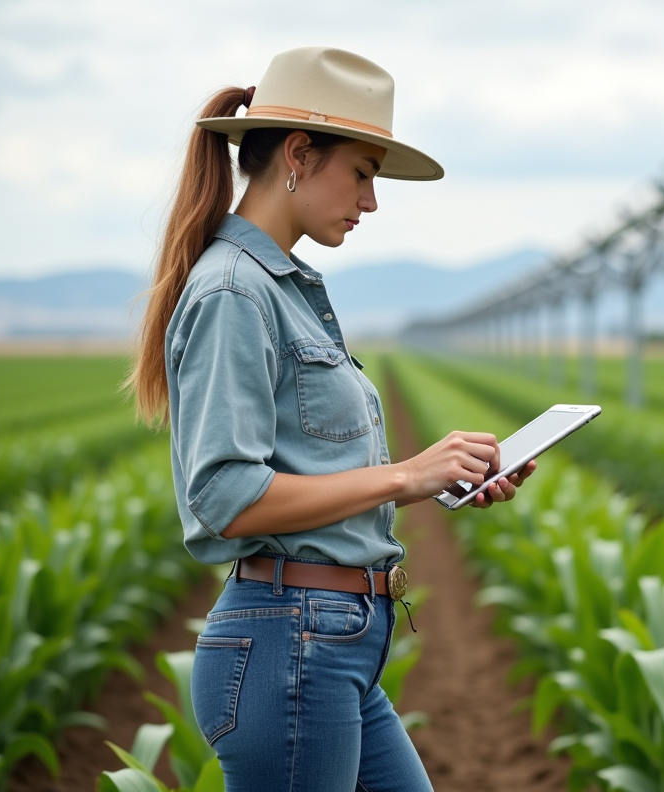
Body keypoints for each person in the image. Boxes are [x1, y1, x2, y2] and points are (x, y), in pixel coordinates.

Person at [126, 47, 534, 792]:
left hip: (331, 648)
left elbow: (315, 474)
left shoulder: (282, 288)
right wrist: (404, 475)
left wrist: (442, 478)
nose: (371, 201)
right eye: (363, 173)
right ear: (299, 154)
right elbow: (225, 497)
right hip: (292, 649)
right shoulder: (235, 292)